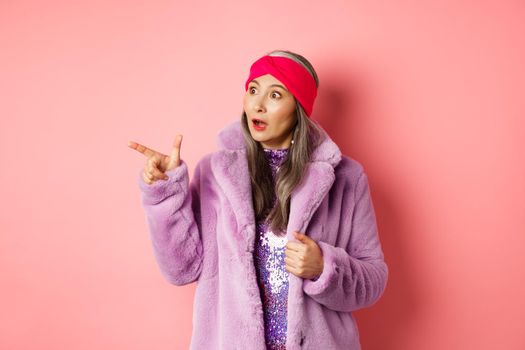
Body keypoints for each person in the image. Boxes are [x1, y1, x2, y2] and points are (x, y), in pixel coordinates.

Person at [128, 49, 388, 350]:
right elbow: (180, 269)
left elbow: (374, 280)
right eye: (253, 90)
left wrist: (323, 267)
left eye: (275, 95)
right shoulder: (215, 173)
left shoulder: (346, 179)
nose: (258, 105)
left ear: (299, 109)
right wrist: (166, 193)